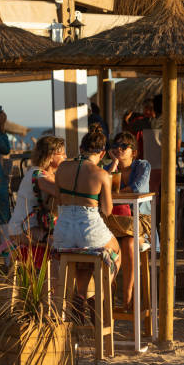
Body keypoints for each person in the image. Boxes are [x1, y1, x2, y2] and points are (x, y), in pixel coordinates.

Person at [53, 130, 121, 308]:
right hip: (89, 230)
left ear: (81, 148)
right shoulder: (101, 174)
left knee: (83, 257)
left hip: (63, 233)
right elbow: (107, 210)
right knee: (116, 251)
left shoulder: (62, 167)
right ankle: (98, 298)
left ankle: (80, 296)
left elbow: (58, 200)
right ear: (102, 153)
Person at [104, 131, 151, 309]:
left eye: (124, 146)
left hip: (138, 220)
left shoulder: (142, 166)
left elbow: (138, 188)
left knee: (129, 244)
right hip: (115, 221)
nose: (119, 149)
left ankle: (128, 297)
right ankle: (104, 297)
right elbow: (103, 186)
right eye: (115, 146)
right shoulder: (108, 167)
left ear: (134, 151)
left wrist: (113, 193)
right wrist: (114, 163)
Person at [8, 136, 65, 244]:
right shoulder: (38, 174)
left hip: (35, 226)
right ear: (50, 156)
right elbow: (60, 193)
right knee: (59, 244)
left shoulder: (48, 174)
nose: (65, 156)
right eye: (62, 154)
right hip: (22, 228)